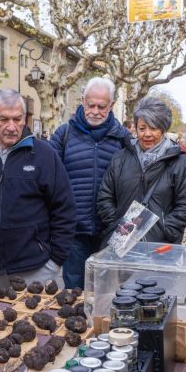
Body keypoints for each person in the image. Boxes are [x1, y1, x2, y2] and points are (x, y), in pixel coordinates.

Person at [0, 89, 76, 299]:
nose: (11, 127)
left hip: (36, 270)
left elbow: (65, 210)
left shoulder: (44, 155)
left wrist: (55, 262)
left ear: (24, 119)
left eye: (17, 119)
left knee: (36, 330)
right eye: (4, 119)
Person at [49, 77, 132, 289]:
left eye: (101, 107)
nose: (95, 111)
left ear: (112, 105)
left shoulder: (123, 138)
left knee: (108, 291)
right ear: (82, 101)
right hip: (74, 230)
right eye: (90, 105)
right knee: (74, 289)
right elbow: (48, 180)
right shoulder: (63, 134)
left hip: (111, 230)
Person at [96, 96, 186, 246]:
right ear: (136, 128)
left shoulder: (179, 163)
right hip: (122, 242)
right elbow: (105, 196)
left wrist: (163, 228)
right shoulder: (120, 158)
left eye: (153, 128)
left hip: (160, 246)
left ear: (163, 129)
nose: (147, 134)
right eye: (142, 128)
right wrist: (117, 224)